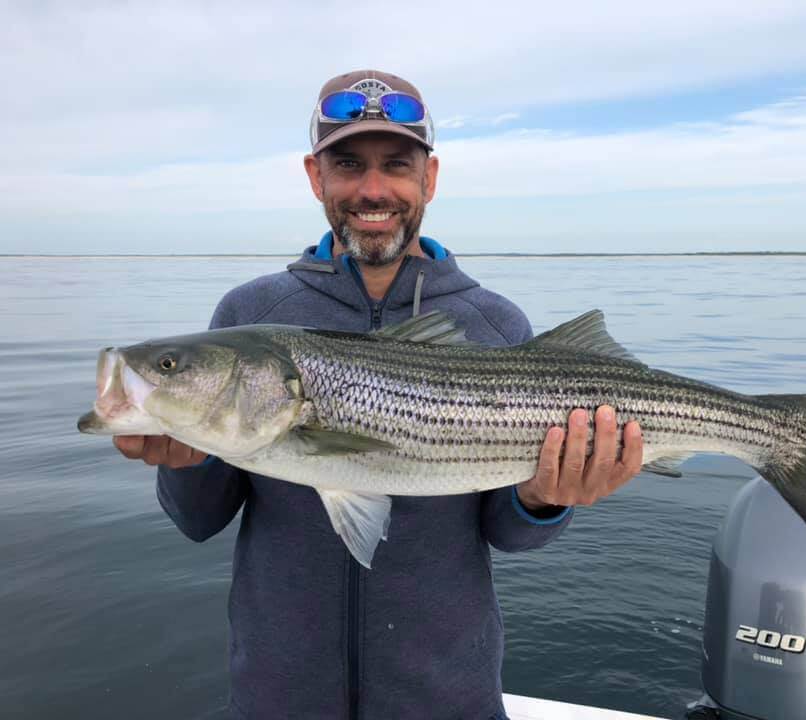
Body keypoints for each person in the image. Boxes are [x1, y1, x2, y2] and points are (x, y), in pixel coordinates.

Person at [113, 70, 644, 720]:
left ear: (430, 178)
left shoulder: (494, 323)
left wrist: (544, 499)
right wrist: (186, 457)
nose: (372, 190)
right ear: (315, 177)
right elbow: (198, 521)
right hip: (278, 700)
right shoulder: (249, 316)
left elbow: (509, 534)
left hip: (448, 699)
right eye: (347, 165)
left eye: (396, 165)